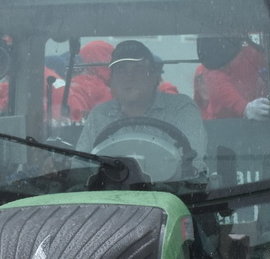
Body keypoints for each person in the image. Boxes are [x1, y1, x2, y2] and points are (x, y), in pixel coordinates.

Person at [75, 41, 207, 179]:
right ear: (111, 80)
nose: (128, 77)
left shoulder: (181, 109)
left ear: (154, 78)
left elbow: (193, 169)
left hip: (173, 196)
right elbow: (80, 169)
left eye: (137, 69)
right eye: (120, 69)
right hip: (109, 196)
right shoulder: (99, 115)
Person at [193, 36, 270, 121]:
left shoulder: (250, 53)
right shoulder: (207, 67)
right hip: (222, 125)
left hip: (261, 122)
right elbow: (217, 83)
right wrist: (244, 108)